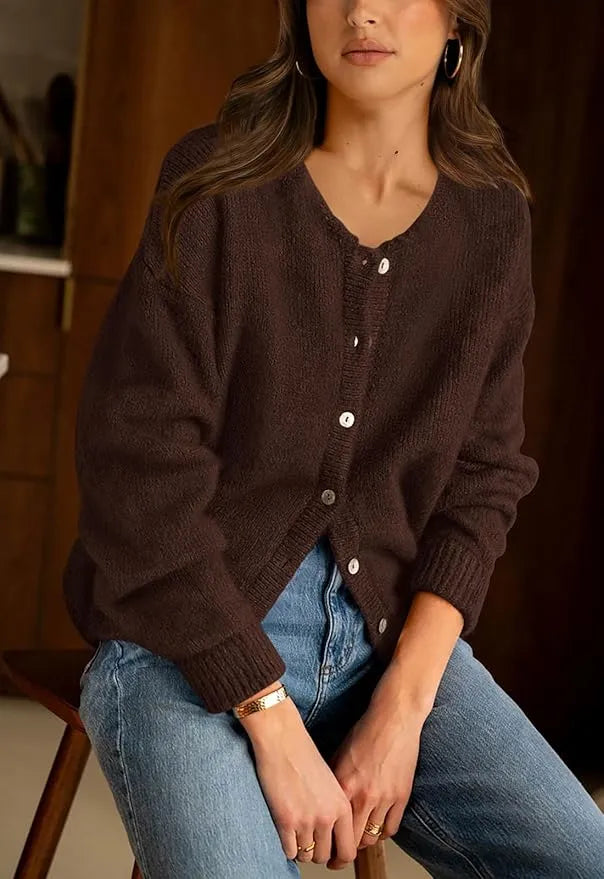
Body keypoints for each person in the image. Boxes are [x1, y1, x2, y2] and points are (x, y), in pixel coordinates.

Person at [63, 1, 604, 876]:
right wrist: (269, 714)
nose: (360, 11)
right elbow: (139, 472)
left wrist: (403, 708)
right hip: (178, 644)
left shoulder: (492, 223)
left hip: (387, 644)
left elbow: (483, 480)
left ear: (458, 23)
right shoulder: (217, 186)